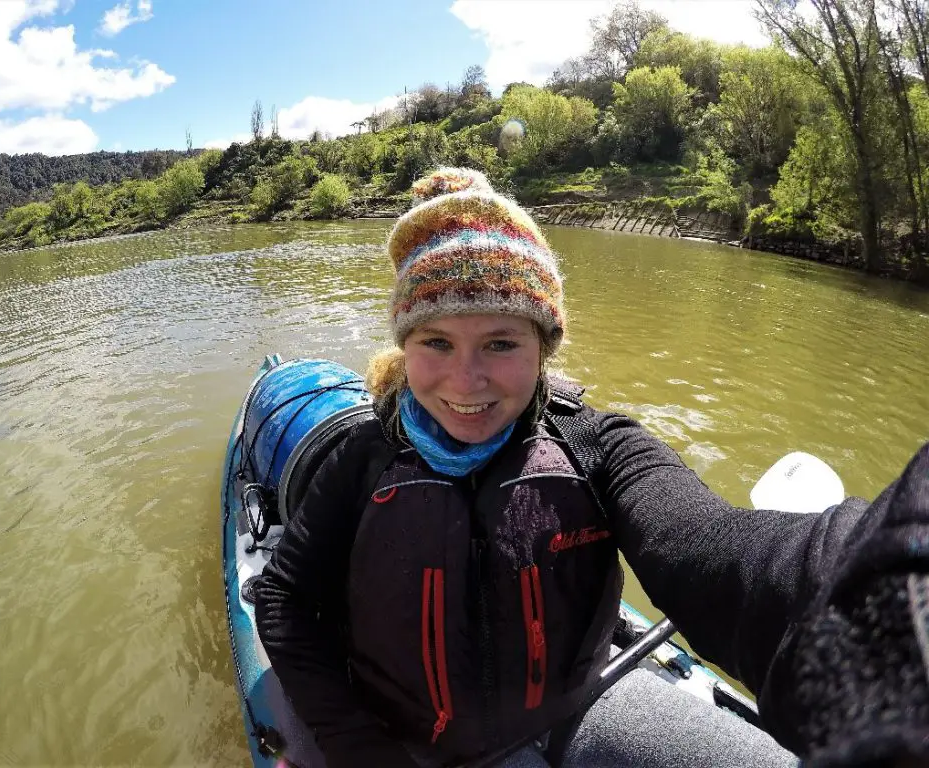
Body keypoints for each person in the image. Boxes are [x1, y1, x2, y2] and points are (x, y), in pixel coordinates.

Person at [255, 167, 928, 768]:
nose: (467, 382)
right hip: (396, 736)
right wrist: (360, 750)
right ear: (405, 346)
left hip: (574, 709)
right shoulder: (361, 458)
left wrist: (880, 607)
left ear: (542, 348)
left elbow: (711, 547)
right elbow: (284, 600)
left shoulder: (597, 444)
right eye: (436, 341)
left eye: (500, 342)